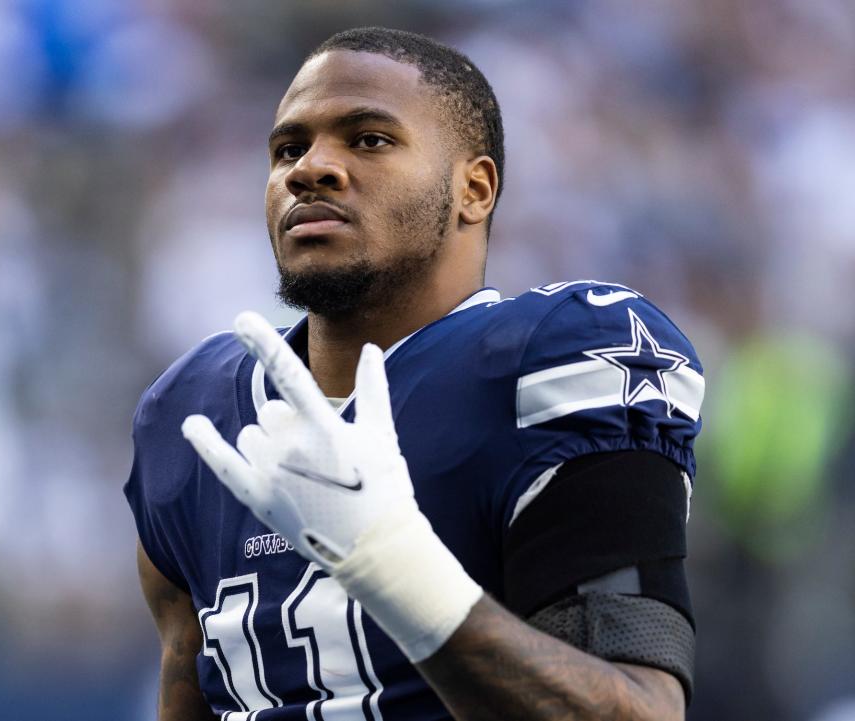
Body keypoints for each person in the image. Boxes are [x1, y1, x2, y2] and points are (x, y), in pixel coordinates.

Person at [125, 27, 705, 721]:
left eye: (367, 139)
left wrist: (393, 567)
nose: (311, 168)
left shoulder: (550, 360)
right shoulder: (191, 411)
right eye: (288, 149)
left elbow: (639, 711)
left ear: (474, 188)